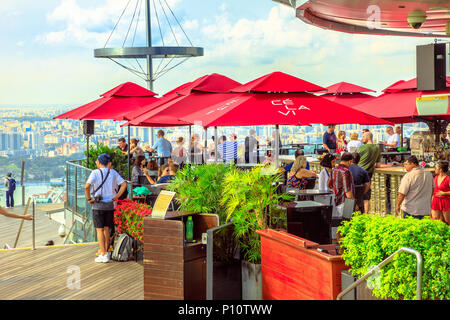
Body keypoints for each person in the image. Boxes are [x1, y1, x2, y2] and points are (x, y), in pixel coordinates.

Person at [85, 153, 128, 263]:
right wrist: (116, 196)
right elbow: (124, 184)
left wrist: (89, 198)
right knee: (106, 229)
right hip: (109, 205)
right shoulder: (113, 172)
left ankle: (103, 253)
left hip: (98, 205)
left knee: (99, 229)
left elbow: (87, 186)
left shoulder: (95, 172)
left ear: (99, 162)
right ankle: (107, 252)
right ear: (108, 163)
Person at [357, 131, 393, 213]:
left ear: (367, 137)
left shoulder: (362, 147)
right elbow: (378, 165)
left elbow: (354, 159)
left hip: (359, 172)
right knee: (366, 195)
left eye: (363, 137)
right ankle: (365, 214)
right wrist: (390, 165)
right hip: (368, 174)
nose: (362, 139)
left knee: (356, 193)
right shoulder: (377, 148)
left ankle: (356, 213)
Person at [431, 161, 450, 225]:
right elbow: (434, 190)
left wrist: (444, 193)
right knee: (435, 220)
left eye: (435, 168)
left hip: (445, 201)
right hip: (436, 200)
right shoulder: (436, 178)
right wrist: (432, 199)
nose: (434, 169)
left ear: (440, 170)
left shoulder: (448, 179)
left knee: (447, 221)